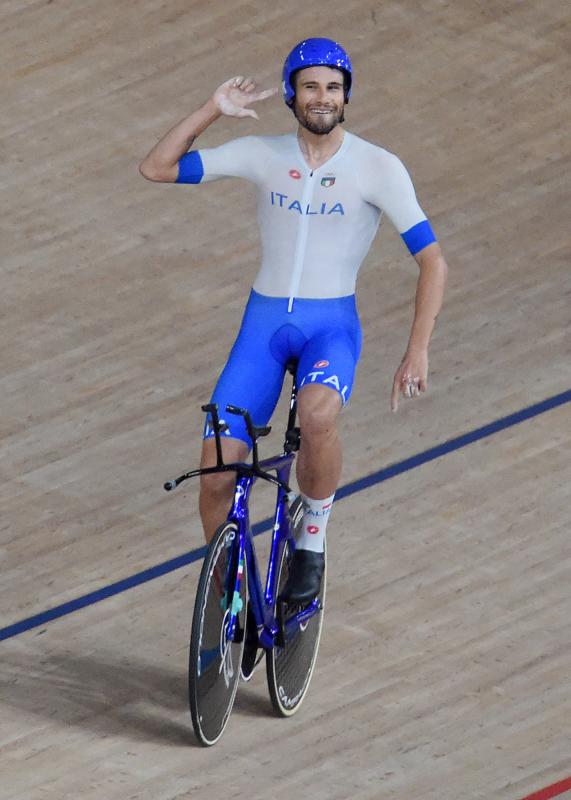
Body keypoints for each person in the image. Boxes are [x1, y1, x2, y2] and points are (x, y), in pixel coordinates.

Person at [140, 37, 448, 604]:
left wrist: (418, 348)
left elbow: (433, 261)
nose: (322, 97)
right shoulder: (263, 154)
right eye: (310, 87)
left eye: (333, 87)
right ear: (291, 95)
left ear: (346, 96)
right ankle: (232, 599)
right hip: (263, 330)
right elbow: (156, 168)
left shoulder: (378, 167)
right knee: (215, 475)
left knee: (317, 415)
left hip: (330, 328)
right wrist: (212, 109)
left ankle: (311, 538)